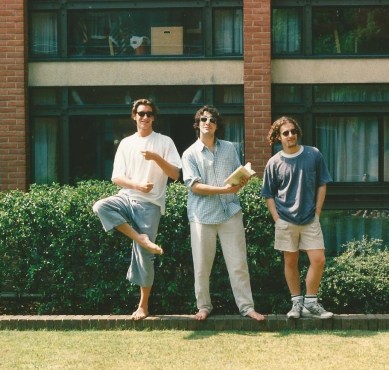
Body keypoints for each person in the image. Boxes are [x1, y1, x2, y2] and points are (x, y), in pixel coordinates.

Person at [92, 98, 181, 320]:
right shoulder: (125, 143)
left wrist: (155, 158)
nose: (145, 117)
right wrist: (137, 185)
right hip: (126, 197)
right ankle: (140, 238)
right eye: (141, 113)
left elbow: (175, 174)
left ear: (154, 117)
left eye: (149, 114)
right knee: (100, 206)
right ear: (134, 116)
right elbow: (116, 177)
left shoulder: (164, 142)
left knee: (144, 256)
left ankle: (143, 306)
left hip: (150, 204)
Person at [181, 105, 265, 322]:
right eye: (203, 119)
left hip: (230, 212)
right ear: (197, 124)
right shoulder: (189, 154)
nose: (207, 122)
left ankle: (247, 308)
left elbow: (237, 176)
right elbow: (195, 187)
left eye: (212, 120)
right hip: (202, 216)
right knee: (201, 266)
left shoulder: (229, 148)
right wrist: (224, 190)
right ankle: (203, 307)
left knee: (238, 264)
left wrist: (243, 180)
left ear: (217, 125)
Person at [261, 116, 334, 319]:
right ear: (278, 137)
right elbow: (268, 194)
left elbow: (322, 184)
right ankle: (296, 304)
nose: (291, 135)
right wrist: (277, 219)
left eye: (293, 131)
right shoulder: (274, 162)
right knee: (290, 261)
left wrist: (317, 212)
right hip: (285, 219)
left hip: (310, 218)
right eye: (285, 133)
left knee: (318, 260)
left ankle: (311, 302)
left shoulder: (313, 154)